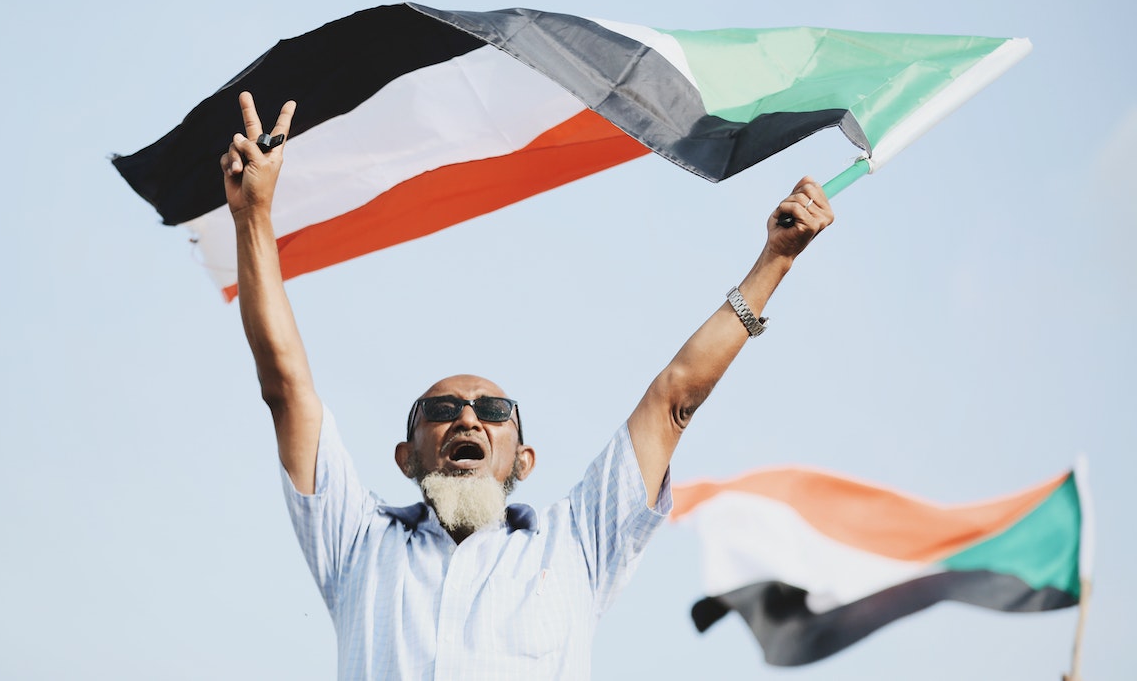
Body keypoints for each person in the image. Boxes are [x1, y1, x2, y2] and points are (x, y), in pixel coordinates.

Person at [220, 92, 833, 679]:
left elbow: (674, 399)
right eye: (441, 409)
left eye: (492, 410)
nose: (468, 419)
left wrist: (773, 262)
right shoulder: (358, 546)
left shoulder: (576, 546)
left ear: (524, 458)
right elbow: (286, 386)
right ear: (406, 457)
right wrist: (254, 217)